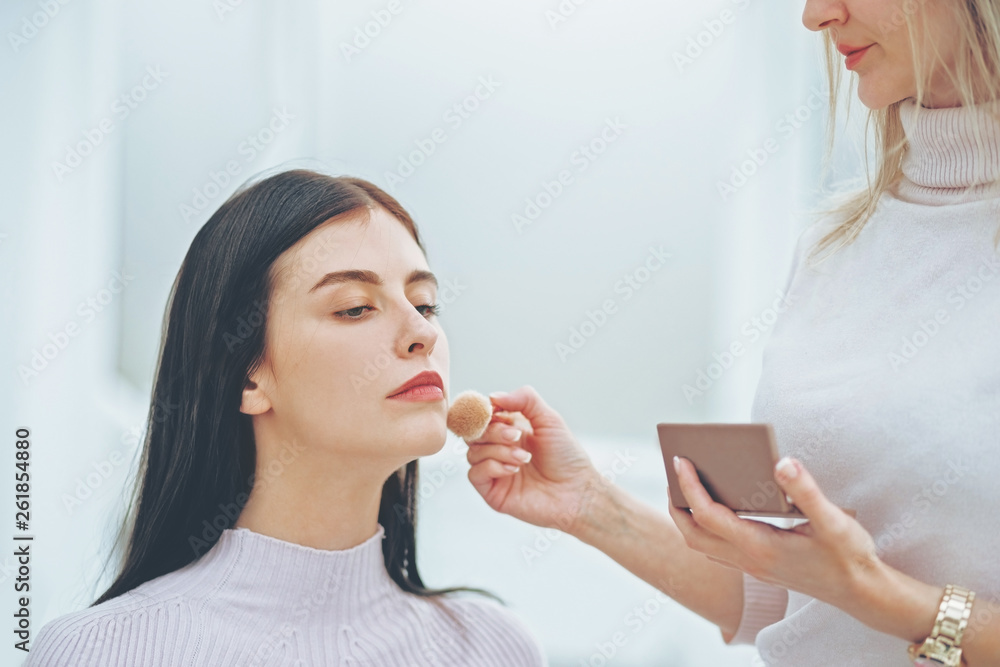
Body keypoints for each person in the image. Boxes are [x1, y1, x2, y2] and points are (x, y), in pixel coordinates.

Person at [465, 0, 1000, 664]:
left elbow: (850, 590)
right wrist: (589, 503)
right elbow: (788, 606)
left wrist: (873, 590)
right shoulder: (835, 243)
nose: (814, 15)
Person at [25, 170, 547, 666]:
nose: (423, 333)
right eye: (355, 307)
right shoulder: (99, 654)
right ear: (249, 377)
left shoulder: (493, 649)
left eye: (426, 304)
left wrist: (589, 507)